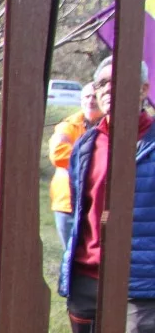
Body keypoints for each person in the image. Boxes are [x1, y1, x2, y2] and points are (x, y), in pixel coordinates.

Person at [61, 58, 146, 333]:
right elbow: (82, 211)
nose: (109, 88)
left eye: (121, 81)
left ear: (145, 91)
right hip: (88, 276)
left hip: (142, 281)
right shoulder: (87, 144)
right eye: (102, 82)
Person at [50, 79, 104, 249]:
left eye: (95, 96)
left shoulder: (113, 127)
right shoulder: (67, 127)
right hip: (67, 204)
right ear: (81, 100)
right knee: (70, 253)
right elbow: (58, 155)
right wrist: (97, 159)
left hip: (98, 204)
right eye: (87, 96)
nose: (91, 101)